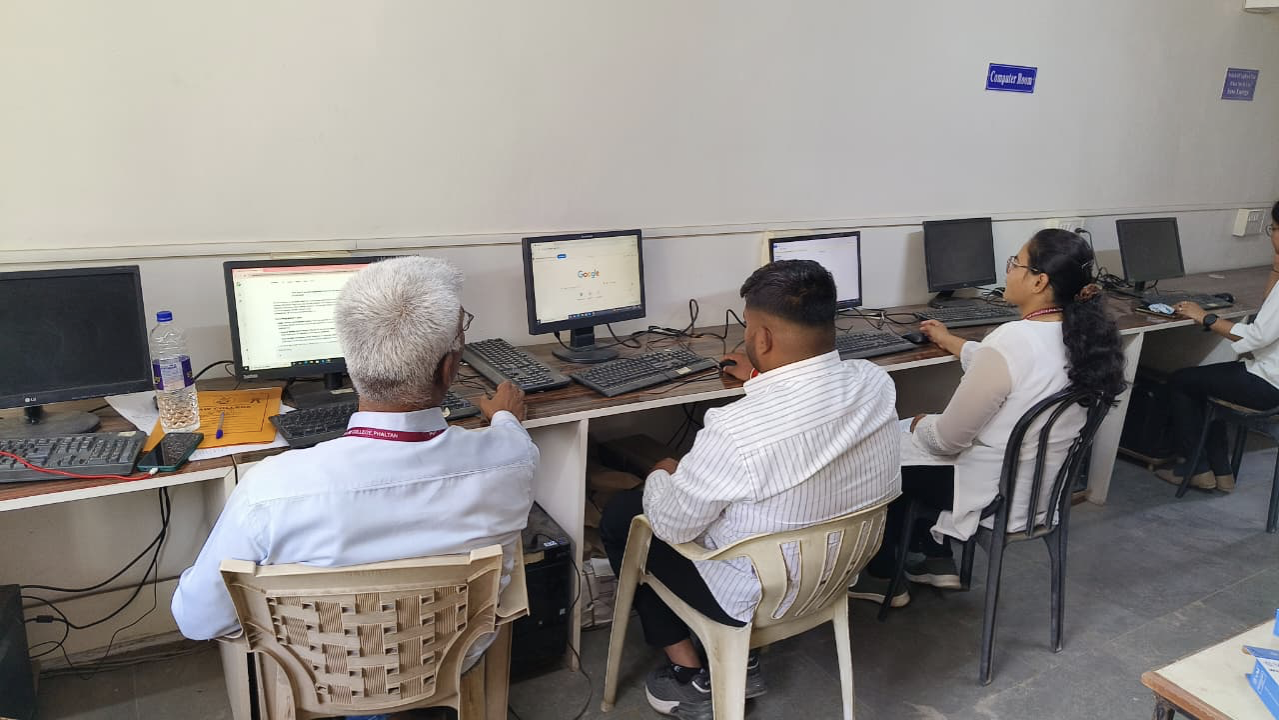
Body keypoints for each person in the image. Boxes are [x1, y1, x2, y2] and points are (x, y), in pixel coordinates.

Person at [172, 256, 537, 678]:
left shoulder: (270, 491)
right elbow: (512, 437)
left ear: (351, 359)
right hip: (454, 663)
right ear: (449, 368)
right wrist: (505, 417)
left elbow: (196, 620)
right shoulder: (512, 458)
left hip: (318, 675)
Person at [600, 259, 900, 720]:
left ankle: (689, 677)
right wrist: (762, 379)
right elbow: (809, 402)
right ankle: (744, 657)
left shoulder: (735, 429)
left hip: (756, 592)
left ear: (762, 338)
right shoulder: (875, 384)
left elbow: (672, 522)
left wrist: (661, 473)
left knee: (626, 515)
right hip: (836, 571)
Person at [848, 229, 1125, 605]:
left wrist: (918, 422)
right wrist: (950, 341)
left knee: (882, 451)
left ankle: (884, 576)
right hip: (1038, 493)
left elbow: (948, 440)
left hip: (992, 494)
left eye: (1016, 263)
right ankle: (933, 558)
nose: (1008, 270)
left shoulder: (1012, 340)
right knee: (916, 448)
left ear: (1039, 280)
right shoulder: (1085, 337)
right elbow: (1005, 368)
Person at [1160, 201, 1279, 491]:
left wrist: (1205, 317)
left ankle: (1197, 468)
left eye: (1274, 228)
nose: (1271, 235)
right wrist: (1276, 267)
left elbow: (1255, 336)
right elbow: (1268, 311)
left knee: (1182, 381)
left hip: (1268, 384)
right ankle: (1221, 473)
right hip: (1270, 377)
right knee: (1207, 380)